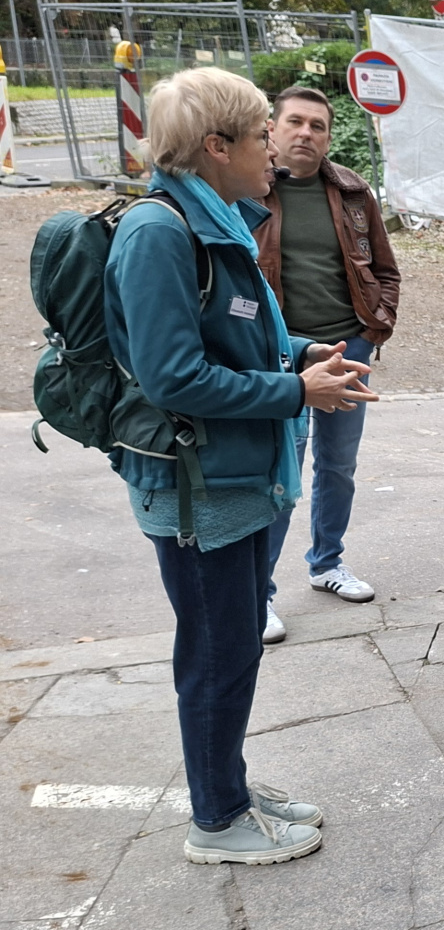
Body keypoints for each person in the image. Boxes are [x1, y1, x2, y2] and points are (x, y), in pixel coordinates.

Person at [104, 67, 376, 864]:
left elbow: (241, 331)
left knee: (234, 650)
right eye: (263, 135)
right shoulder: (159, 233)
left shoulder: (218, 217)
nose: (275, 149)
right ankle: (217, 821)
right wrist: (296, 391)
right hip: (199, 489)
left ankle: (226, 785)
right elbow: (173, 377)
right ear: (216, 147)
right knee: (218, 656)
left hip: (234, 478)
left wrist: (302, 352)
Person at [253, 85, 400, 642]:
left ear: (328, 136)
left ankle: (326, 563)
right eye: (295, 122)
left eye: (317, 125)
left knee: (338, 466)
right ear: (272, 128)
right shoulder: (251, 190)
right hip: (280, 357)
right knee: (281, 474)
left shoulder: (352, 191)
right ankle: (259, 594)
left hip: (346, 351)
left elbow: (385, 269)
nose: (305, 134)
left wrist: (373, 328)